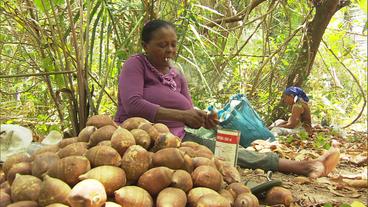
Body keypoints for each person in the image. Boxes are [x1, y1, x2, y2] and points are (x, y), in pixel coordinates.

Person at [114, 19, 339, 178]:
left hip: (178, 136)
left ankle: (306, 166)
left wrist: (203, 118)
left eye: (173, 44)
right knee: (218, 154)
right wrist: (183, 115)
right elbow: (133, 104)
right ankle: (304, 167)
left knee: (228, 150)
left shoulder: (177, 72)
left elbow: (188, 108)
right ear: (145, 46)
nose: (170, 50)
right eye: (162, 45)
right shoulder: (136, 65)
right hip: (140, 137)